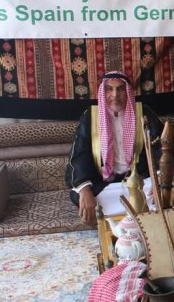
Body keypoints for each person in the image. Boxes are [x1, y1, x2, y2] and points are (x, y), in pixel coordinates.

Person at [65, 71, 163, 225]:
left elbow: (160, 146)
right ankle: (141, 209)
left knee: (165, 186)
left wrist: (159, 178)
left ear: (127, 92)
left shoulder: (142, 112)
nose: (115, 94)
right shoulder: (91, 116)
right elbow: (80, 155)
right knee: (78, 194)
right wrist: (85, 190)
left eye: (120, 89)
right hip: (105, 184)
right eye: (109, 89)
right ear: (102, 93)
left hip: (139, 181)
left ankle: (118, 212)